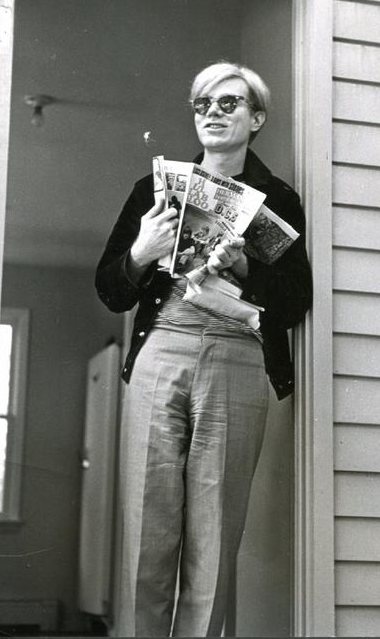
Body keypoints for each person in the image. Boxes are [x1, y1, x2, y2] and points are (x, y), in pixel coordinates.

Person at [95, 61, 312, 637]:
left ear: (256, 118)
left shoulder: (280, 201)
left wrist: (247, 271)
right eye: (203, 105)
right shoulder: (153, 191)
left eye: (229, 103)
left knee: (214, 532)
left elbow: (293, 306)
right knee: (148, 520)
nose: (213, 113)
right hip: (162, 350)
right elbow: (110, 290)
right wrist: (141, 252)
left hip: (238, 356)